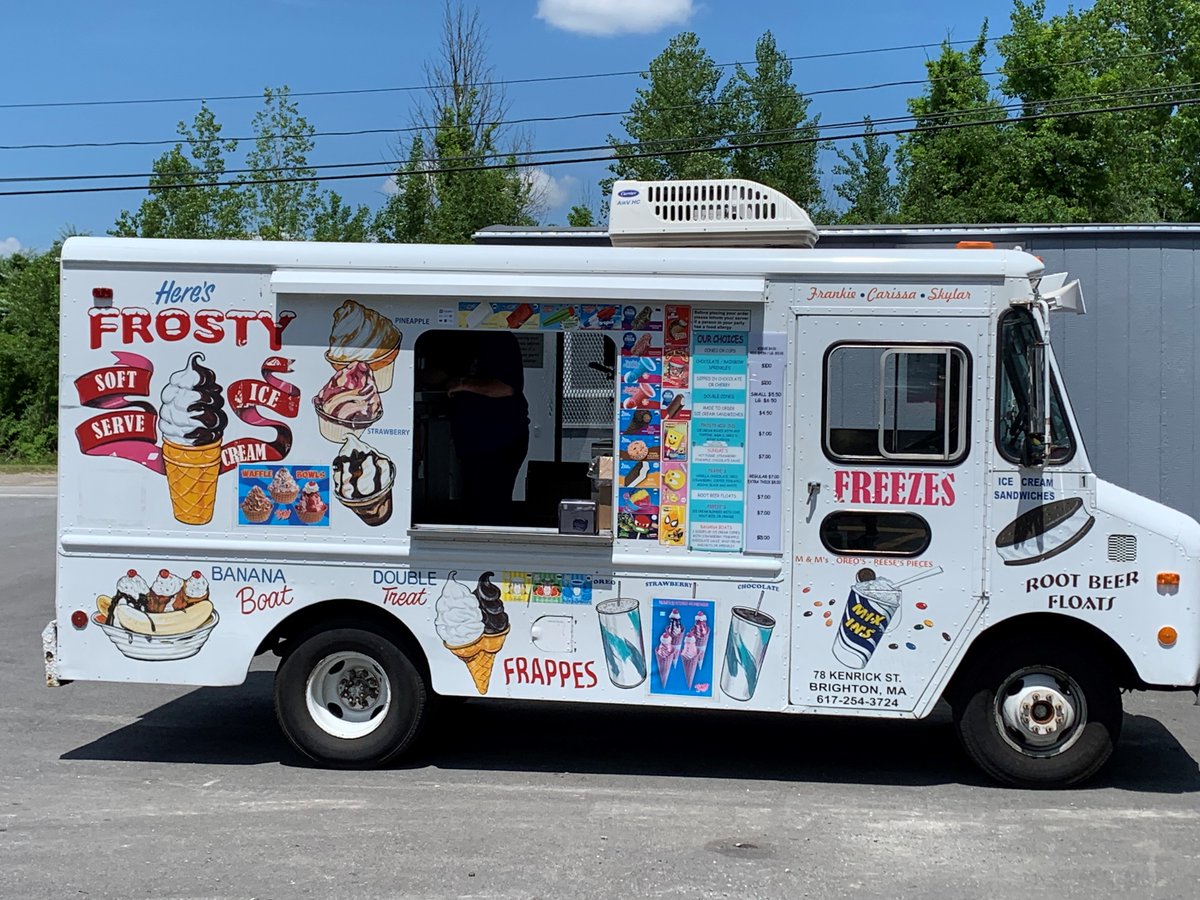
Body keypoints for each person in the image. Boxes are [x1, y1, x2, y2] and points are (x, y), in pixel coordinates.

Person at [446, 331, 530, 525]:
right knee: (474, 506)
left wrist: (462, 384)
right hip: (473, 443)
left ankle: (495, 552)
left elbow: (507, 387)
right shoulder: (460, 342)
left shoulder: (500, 340)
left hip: (501, 440)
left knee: (490, 507)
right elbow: (442, 373)